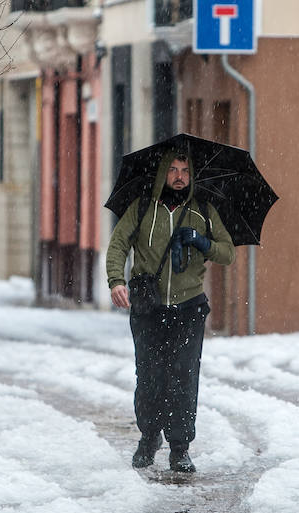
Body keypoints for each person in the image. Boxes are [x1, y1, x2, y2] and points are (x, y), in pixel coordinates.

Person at [106, 150, 235, 473]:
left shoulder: (203, 211)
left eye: (185, 171)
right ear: (163, 173)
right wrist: (116, 280)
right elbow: (118, 244)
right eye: (174, 170)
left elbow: (227, 253)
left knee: (183, 376)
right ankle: (149, 437)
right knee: (149, 376)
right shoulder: (142, 208)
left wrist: (202, 242)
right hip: (148, 307)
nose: (179, 176)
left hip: (189, 307)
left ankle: (180, 447)